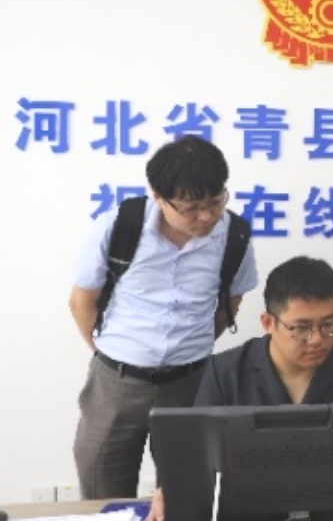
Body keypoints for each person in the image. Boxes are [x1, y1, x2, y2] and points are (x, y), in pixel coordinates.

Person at [69, 135, 258, 500]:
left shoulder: (234, 235)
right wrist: (110, 354)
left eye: (215, 202)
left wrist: (192, 346)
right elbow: (82, 302)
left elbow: (229, 304)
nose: (206, 216)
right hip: (116, 383)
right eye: (191, 208)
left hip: (191, 382)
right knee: (101, 485)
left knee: (186, 489)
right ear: (158, 197)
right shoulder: (119, 226)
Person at [146, 255, 333, 521]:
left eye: (328, 324)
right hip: (248, 520)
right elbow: (195, 453)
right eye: (301, 328)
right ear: (268, 322)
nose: (317, 339)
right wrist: (170, 488)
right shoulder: (225, 372)